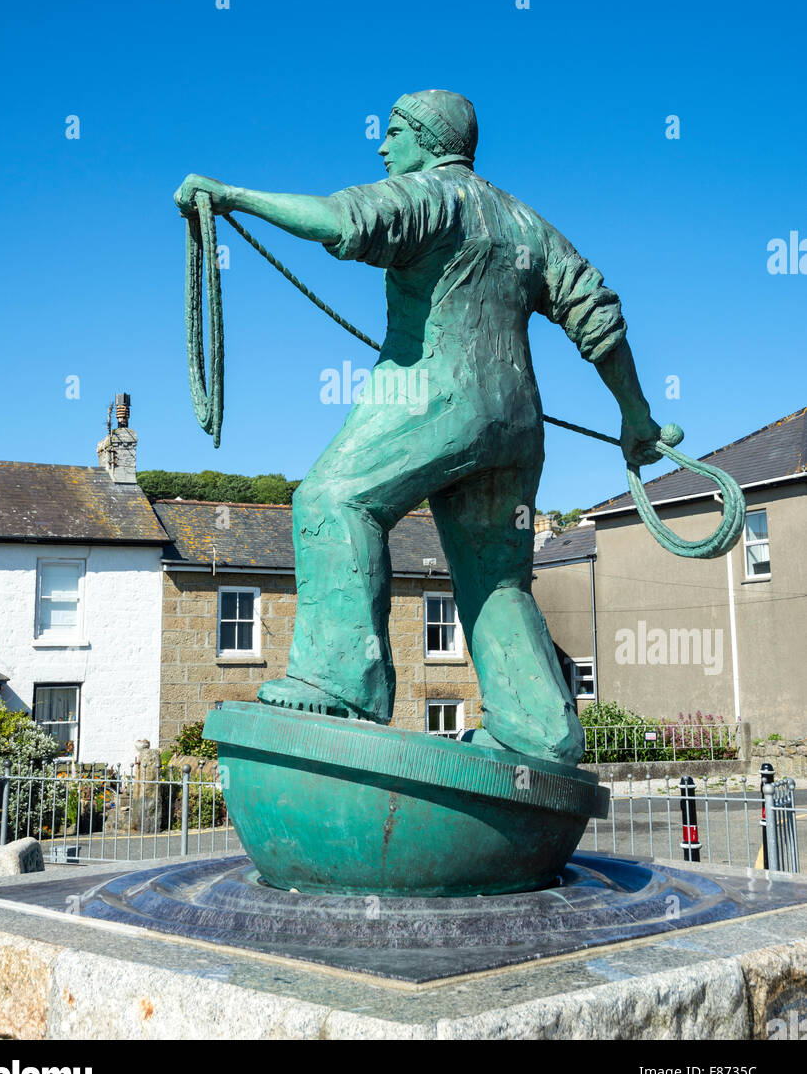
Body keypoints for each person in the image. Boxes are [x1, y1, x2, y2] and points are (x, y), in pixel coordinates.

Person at [175, 90, 663, 765]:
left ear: (432, 141)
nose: (383, 146)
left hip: (433, 400)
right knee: (496, 582)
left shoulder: (430, 195)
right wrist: (635, 415)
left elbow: (340, 222)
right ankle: (542, 727)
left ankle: (340, 682)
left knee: (331, 499)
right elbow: (597, 314)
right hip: (516, 427)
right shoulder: (527, 223)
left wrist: (231, 196)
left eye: (396, 132)